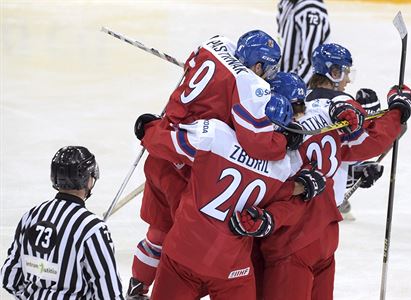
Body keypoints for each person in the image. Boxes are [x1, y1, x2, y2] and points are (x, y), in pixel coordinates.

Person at [127, 30, 304, 299]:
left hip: (168, 149)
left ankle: (137, 286)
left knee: (159, 232)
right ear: (258, 66)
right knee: (180, 232)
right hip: (191, 169)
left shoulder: (216, 48)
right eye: (269, 68)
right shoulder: (277, 156)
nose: (270, 75)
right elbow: (256, 143)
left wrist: (150, 131)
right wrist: (286, 146)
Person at [253, 43, 411, 300]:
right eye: (346, 72)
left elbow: (288, 172)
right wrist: (397, 111)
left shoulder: (280, 126)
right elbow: (359, 145)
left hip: (292, 234)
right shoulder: (333, 109)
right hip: (325, 231)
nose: (348, 79)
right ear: (334, 71)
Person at [142, 93, 326, 299]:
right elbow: (288, 199)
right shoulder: (282, 167)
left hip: (183, 254)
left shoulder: (214, 134)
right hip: (231, 267)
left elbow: (160, 142)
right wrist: (304, 185)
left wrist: (148, 128)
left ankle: (138, 281)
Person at [0, 146, 124, 299]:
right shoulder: (93, 228)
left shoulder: (31, 216)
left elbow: (9, 278)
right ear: (89, 180)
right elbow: (109, 293)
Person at [338, 88, 386, 220]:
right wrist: (356, 175)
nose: (370, 124)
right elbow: (332, 172)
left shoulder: (369, 135)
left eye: (374, 118)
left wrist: (361, 172)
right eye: (367, 119)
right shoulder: (346, 134)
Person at [277, 0, 331, 83]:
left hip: (296, 88)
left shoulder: (311, 9)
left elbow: (311, 63)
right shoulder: (286, 3)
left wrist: (293, 90)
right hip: (284, 82)